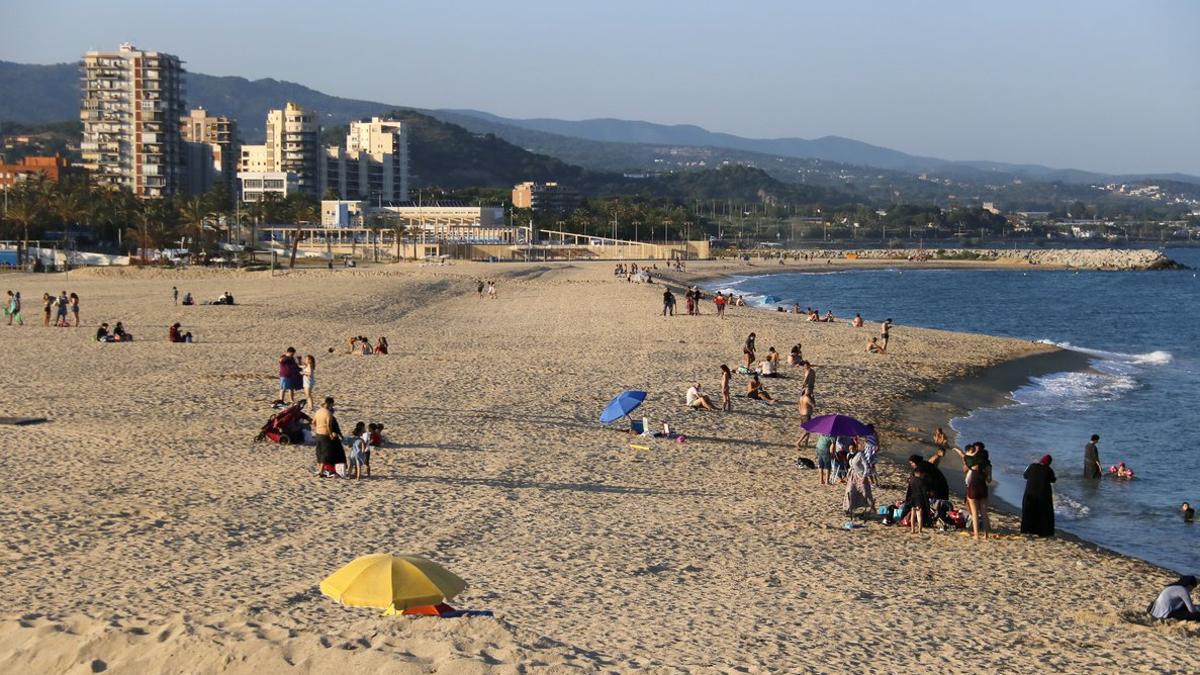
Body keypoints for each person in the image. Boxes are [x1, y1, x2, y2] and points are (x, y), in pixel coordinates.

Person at [955, 443, 991, 539]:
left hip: (973, 488)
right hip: (983, 488)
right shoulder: (988, 465)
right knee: (984, 512)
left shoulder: (972, 462)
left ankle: (976, 535)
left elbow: (964, 457)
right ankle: (986, 535)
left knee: (974, 513)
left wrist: (957, 450)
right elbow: (989, 480)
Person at [1021, 455, 1057, 537]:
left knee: (1029, 511)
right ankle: (1042, 531)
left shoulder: (1032, 466)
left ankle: (1027, 530)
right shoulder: (1048, 470)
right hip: (1042, 495)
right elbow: (1053, 480)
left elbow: (1025, 475)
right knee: (1043, 513)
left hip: (1029, 493)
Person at [312, 397, 346, 478]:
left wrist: (317, 429)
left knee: (319, 452)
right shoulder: (328, 413)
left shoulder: (318, 411)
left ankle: (320, 470)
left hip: (318, 434)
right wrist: (330, 434)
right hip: (325, 435)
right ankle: (321, 471)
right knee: (325, 454)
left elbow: (313, 422)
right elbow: (328, 425)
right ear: (330, 404)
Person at [844, 451, 875, 518]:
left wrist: (864, 476)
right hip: (852, 477)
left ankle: (871, 508)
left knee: (865, 493)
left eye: (852, 448)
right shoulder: (849, 454)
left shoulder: (860, 454)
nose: (851, 449)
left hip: (861, 477)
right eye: (850, 448)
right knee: (850, 491)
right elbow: (849, 466)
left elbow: (866, 466)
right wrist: (847, 475)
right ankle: (849, 508)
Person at [905, 468, 930, 533]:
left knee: (913, 514)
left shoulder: (912, 480)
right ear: (920, 474)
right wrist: (927, 503)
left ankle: (912, 529)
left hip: (913, 498)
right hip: (920, 499)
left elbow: (909, 491)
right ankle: (919, 530)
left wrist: (907, 500)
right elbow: (924, 493)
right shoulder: (922, 481)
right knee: (919, 515)